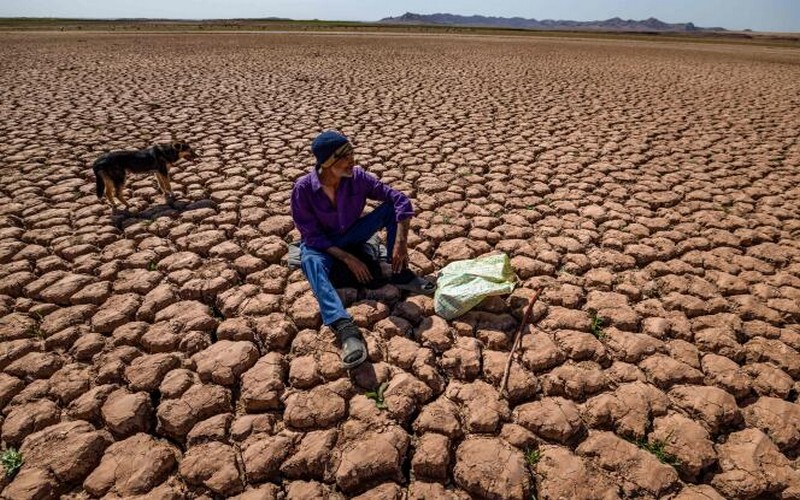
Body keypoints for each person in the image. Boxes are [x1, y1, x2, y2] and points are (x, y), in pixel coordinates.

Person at [291, 130, 433, 369]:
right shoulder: (303, 189)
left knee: (389, 209)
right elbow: (311, 235)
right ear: (327, 162)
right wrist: (348, 259)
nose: (352, 160)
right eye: (345, 156)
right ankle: (345, 328)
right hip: (324, 246)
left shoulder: (358, 178)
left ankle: (401, 275)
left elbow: (399, 200)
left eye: (352, 153)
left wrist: (400, 242)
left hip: (352, 235)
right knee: (311, 262)